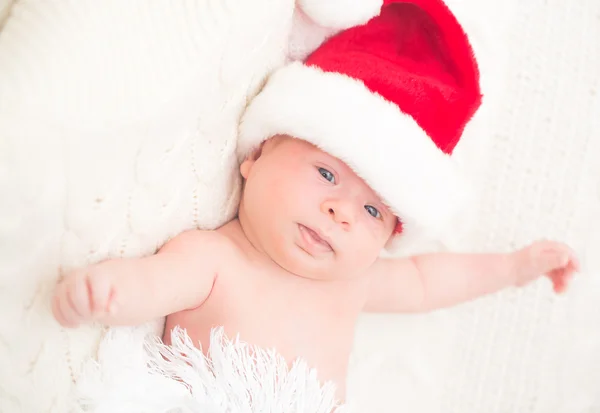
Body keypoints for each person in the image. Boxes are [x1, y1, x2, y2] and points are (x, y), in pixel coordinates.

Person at [51, 0, 579, 402]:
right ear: (256, 157)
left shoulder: (353, 283)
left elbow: (428, 281)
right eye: (325, 173)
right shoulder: (217, 258)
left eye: (372, 211)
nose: (342, 212)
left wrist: (513, 267)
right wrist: (110, 292)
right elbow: (155, 283)